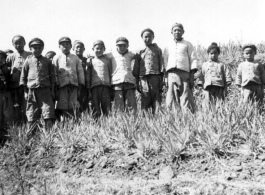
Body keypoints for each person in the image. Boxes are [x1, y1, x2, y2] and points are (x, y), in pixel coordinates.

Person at [20, 38, 56, 129]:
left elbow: (52, 77)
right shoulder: (28, 60)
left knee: (48, 112)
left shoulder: (47, 61)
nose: (37, 50)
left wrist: (52, 90)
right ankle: (31, 135)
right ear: (30, 49)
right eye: (34, 48)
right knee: (32, 112)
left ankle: (48, 135)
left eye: (39, 48)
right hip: (32, 91)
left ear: (42, 49)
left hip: (45, 91)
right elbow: (23, 76)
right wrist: (25, 91)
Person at [165, 23, 198, 112]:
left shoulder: (187, 44)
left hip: (184, 74)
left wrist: (191, 75)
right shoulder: (168, 45)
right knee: (172, 95)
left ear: (183, 32)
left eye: (179, 30)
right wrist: (165, 77)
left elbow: (193, 59)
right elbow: (165, 60)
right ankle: (174, 117)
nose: (177, 32)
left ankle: (187, 117)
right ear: (171, 32)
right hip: (172, 74)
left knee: (185, 94)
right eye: (175, 30)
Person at [53, 37, 85, 120]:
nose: (65, 46)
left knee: (73, 103)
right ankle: (63, 122)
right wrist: (56, 83)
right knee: (62, 104)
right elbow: (54, 72)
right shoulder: (56, 58)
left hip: (73, 84)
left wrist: (81, 82)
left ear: (71, 46)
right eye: (62, 45)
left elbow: (80, 71)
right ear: (59, 47)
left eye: (67, 44)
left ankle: (73, 121)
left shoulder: (75, 58)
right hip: (62, 85)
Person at [134, 29, 164, 114]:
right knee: (145, 96)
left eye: (150, 36)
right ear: (142, 38)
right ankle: (145, 118)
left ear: (153, 37)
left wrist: (162, 79)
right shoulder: (139, 51)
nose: (147, 39)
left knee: (156, 97)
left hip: (155, 76)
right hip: (143, 78)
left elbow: (161, 64)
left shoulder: (157, 49)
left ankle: (157, 118)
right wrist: (137, 81)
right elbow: (136, 67)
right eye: (145, 37)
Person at [198, 43, 232, 108]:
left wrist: (227, 82)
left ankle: (218, 115)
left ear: (218, 54)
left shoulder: (222, 64)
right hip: (208, 86)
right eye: (211, 53)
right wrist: (201, 83)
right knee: (207, 104)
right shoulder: (205, 65)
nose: (213, 55)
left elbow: (226, 74)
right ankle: (207, 116)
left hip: (219, 86)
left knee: (219, 104)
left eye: (215, 53)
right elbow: (202, 75)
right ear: (208, 54)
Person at [6, 35, 31, 124]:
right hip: (14, 86)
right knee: (15, 107)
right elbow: (7, 71)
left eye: (20, 43)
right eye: (16, 43)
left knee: (26, 106)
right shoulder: (10, 57)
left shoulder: (29, 55)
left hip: (26, 86)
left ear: (24, 43)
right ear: (13, 44)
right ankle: (17, 126)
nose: (18, 45)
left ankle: (27, 125)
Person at [108, 37, 137, 112]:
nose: (122, 47)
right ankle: (120, 122)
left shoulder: (131, 54)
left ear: (128, 46)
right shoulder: (111, 55)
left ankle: (132, 122)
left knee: (131, 106)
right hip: (117, 83)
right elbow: (100, 55)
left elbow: (139, 57)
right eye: (120, 45)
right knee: (119, 106)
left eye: (124, 45)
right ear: (116, 46)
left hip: (129, 82)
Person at [86, 40, 112, 118]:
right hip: (94, 87)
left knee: (107, 107)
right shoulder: (91, 60)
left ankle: (107, 124)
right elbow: (88, 75)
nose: (99, 50)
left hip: (106, 87)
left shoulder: (107, 60)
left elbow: (111, 73)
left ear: (104, 49)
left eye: (101, 48)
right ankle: (97, 124)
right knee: (95, 107)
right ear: (93, 49)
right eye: (97, 48)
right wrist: (88, 89)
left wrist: (111, 87)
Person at [73, 40, 89, 112]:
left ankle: (85, 119)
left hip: (85, 84)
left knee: (85, 101)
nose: (79, 49)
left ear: (84, 49)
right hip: (75, 84)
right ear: (73, 49)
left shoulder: (87, 60)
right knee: (75, 102)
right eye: (77, 47)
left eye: (81, 47)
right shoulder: (71, 59)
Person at [0, 50, 10, 145]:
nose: (0, 59)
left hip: (6, 94)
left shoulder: (6, 69)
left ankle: (5, 138)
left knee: (6, 116)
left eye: (2, 58)